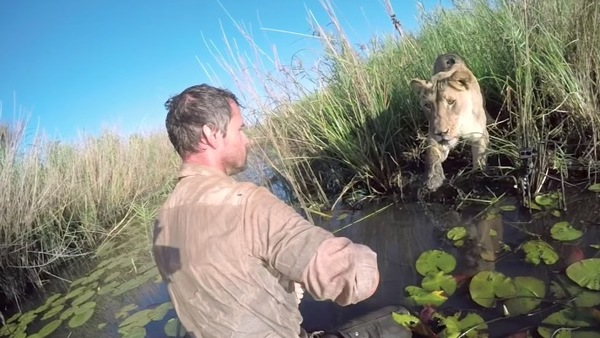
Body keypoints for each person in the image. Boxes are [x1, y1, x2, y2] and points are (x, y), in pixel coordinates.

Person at [152, 84, 380, 338]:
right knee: (391, 322)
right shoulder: (245, 203)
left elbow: (223, 278)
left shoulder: (163, 218)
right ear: (211, 134)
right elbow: (352, 278)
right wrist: (372, 258)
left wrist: (281, 278)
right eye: (240, 129)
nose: (247, 139)